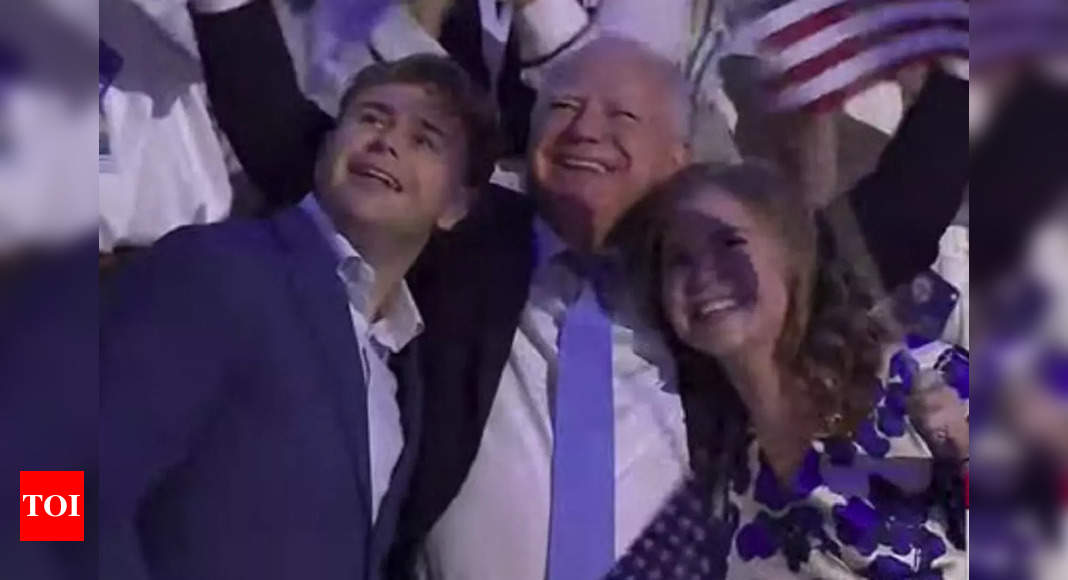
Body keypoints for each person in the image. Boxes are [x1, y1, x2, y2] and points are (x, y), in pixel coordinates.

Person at [99, 54, 498, 580]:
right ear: (328, 146)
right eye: (371, 117)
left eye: (425, 139)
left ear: (456, 207)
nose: (387, 141)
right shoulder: (219, 270)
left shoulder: (401, 371)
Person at [607, 162, 967, 578]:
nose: (704, 274)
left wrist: (965, 455)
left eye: (729, 243)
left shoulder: (915, 376)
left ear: (793, 259)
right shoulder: (707, 465)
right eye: (679, 260)